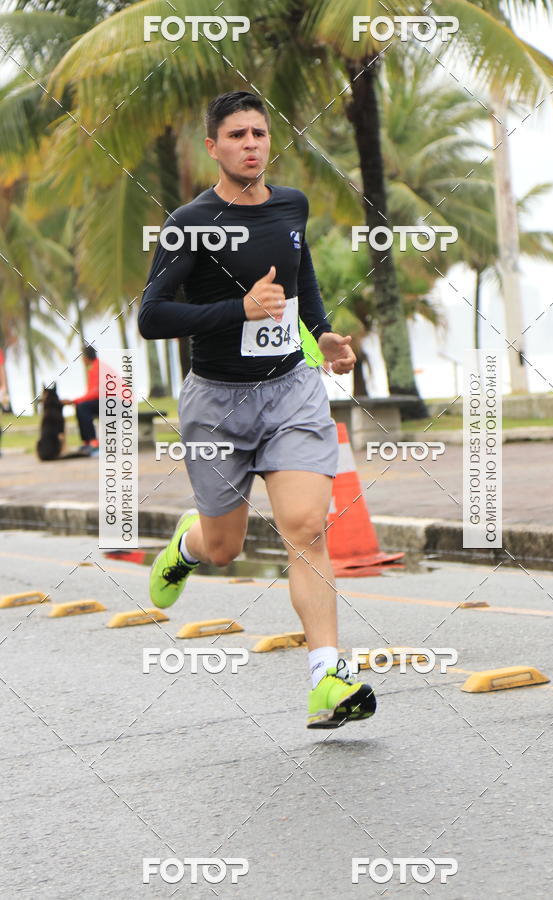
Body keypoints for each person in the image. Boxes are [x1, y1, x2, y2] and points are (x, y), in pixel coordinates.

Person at [138, 91, 376, 729]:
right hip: (217, 402)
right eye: (237, 135)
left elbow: (302, 282)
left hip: (292, 391)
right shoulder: (190, 222)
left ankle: (327, 678)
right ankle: (187, 546)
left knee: (306, 527)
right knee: (224, 546)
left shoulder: (292, 205)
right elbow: (152, 316)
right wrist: (237, 310)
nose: (250, 144)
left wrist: (321, 337)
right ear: (212, 147)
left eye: (259, 134)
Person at [61, 345, 100, 456]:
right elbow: (91, 394)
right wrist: (76, 401)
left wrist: (74, 401)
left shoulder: (98, 367)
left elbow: (96, 393)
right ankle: (87, 442)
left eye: (82, 357)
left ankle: (93, 443)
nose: (82, 360)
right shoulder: (93, 368)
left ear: (86, 357)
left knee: (82, 406)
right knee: (81, 406)